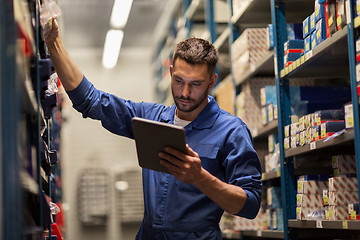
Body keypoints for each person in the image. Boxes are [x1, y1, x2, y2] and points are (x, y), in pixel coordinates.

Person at [44, 18, 262, 240]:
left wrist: (201, 178)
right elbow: (91, 101)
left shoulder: (232, 131)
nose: (185, 92)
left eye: (195, 84)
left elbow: (250, 205)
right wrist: (54, 43)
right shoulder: (150, 118)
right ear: (170, 72)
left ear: (212, 81)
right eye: (178, 81)